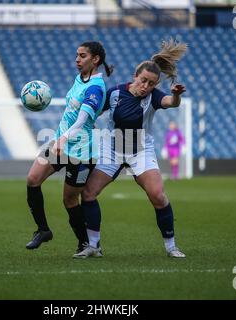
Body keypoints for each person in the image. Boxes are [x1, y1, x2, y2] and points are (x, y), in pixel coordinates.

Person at [75, 39, 187, 259]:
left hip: (140, 151)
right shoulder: (115, 93)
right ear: (135, 76)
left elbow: (170, 103)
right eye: (143, 80)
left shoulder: (153, 96)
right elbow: (92, 112)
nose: (146, 86)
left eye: (151, 83)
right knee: (88, 194)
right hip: (112, 149)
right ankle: (93, 246)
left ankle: (171, 246)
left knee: (158, 195)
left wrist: (176, 95)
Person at [25, 41, 113, 255]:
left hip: (81, 152)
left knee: (70, 199)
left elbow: (82, 120)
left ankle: (87, 243)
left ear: (96, 60)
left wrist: (64, 138)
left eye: (82, 56)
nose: (77, 59)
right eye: (77, 55)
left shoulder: (95, 87)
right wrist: (60, 139)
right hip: (60, 143)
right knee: (33, 179)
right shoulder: (81, 79)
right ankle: (43, 230)